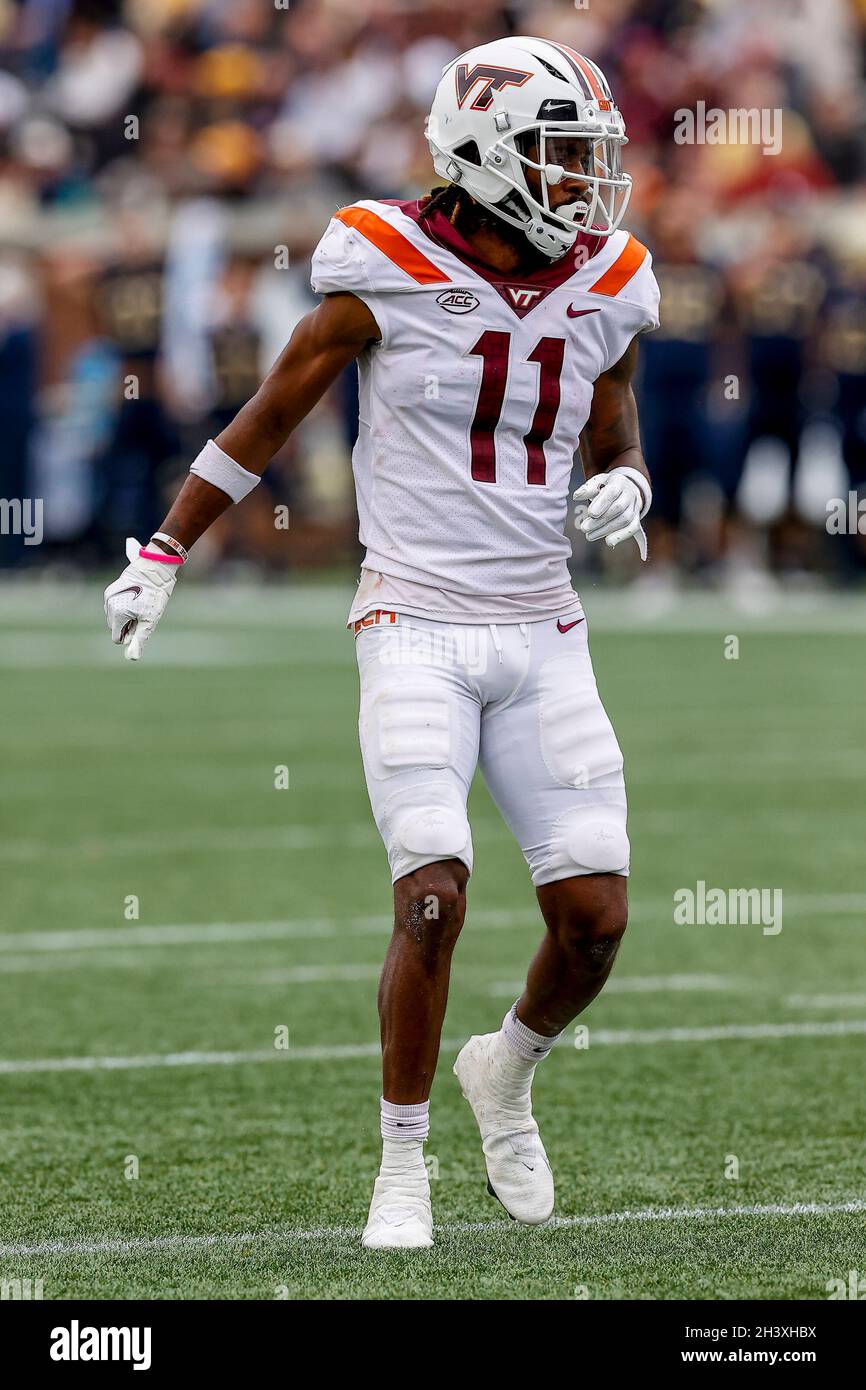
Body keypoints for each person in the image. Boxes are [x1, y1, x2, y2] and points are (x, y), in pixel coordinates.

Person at [104, 36, 660, 1250]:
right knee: (430, 895)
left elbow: (609, 417)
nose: (583, 183)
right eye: (563, 156)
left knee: (596, 921)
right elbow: (270, 411)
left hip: (542, 625)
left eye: (589, 159)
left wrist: (627, 480)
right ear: (485, 151)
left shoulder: (610, 275)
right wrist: (163, 549)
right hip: (411, 615)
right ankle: (399, 1161)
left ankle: (503, 1069)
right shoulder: (385, 259)